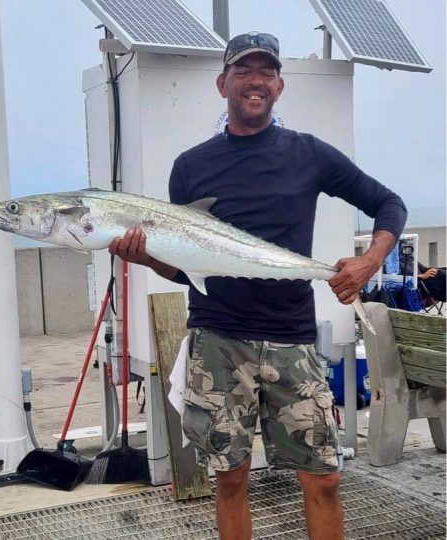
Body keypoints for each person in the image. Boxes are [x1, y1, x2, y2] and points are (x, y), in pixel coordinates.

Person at [109, 32, 407, 540]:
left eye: (266, 72)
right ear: (223, 83)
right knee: (229, 479)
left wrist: (370, 260)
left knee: (326, 478)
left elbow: (388, 203)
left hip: (292, 339)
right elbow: (186, 270)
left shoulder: (309, 154)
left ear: (280, 86)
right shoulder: (190, 166)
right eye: (244, 72)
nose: (255, 81)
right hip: (218, 340)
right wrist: (147, 259)